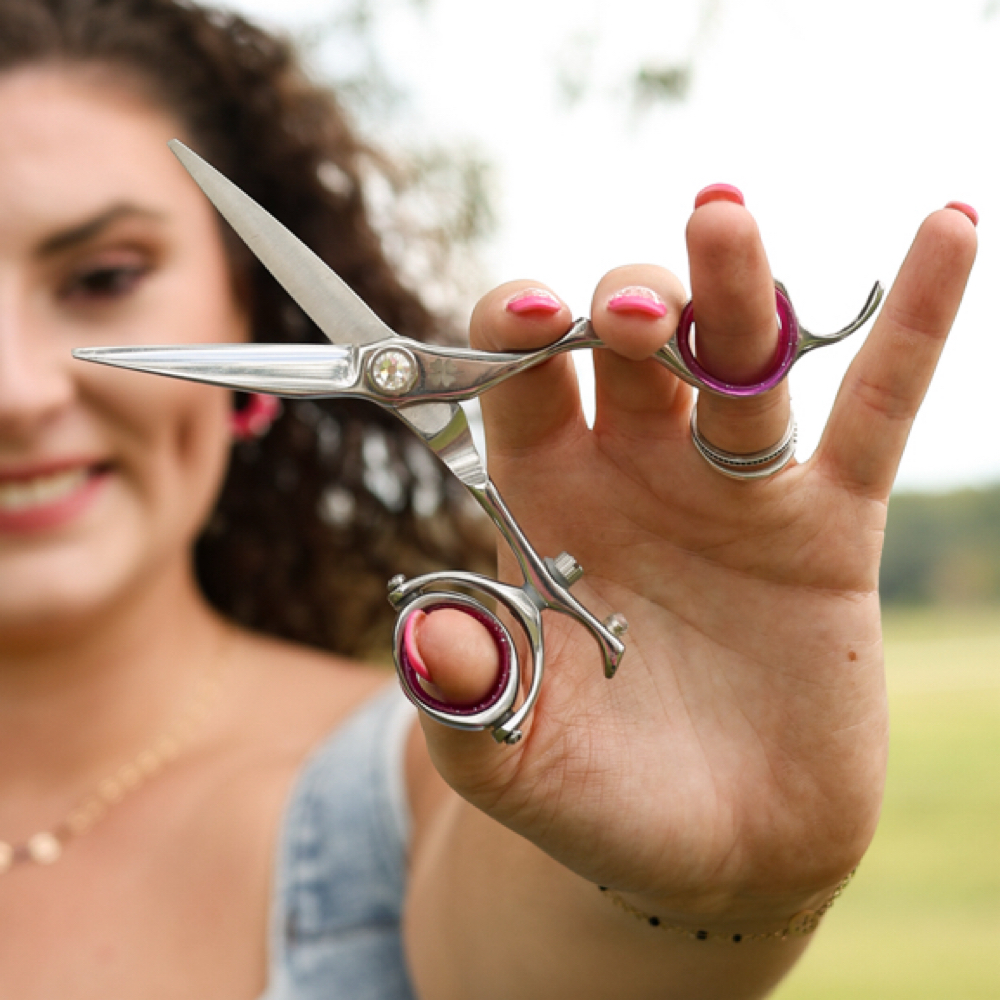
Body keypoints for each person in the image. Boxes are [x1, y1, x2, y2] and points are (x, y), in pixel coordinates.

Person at [0, 1, 978, 998]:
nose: (16, 390)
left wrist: (702, 908)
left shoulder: (401, 789)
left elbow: (555, 952)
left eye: (106, 274)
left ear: (247, 312)